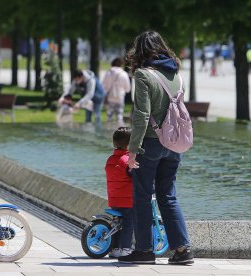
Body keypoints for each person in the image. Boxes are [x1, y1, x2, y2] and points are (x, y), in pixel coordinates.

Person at [119, 31, 193, 265]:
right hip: (173, 144)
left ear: (139, 52)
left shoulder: (143, 75)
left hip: (150, 144)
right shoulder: (176, 75)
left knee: (141, 196)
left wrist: (132, 150)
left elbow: (141, 114)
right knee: (168, 196)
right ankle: (182, 250)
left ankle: (144, 250)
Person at [105, 127, 134, 258]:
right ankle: (126, 248)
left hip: (114, 200)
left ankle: (114, 249)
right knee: (129, 223)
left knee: (117, 223)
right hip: (128, 201)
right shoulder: (128, 160)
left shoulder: (110, 159)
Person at [102, 58, 131, 124]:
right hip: (120, 97)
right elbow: (128, 89)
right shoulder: (124, 74)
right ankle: (120, 132)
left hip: (110, 96)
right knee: (119, 116)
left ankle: (108, 131)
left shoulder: (108, 73)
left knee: (109, 116)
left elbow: (103, 85)